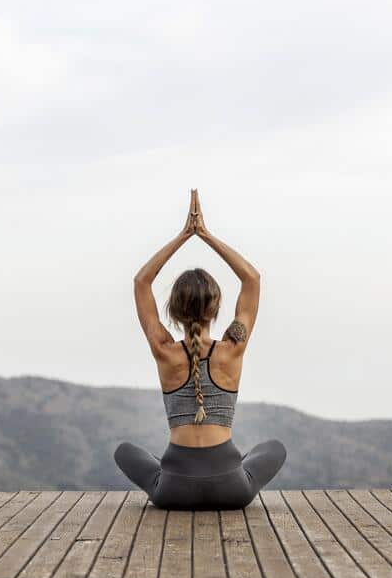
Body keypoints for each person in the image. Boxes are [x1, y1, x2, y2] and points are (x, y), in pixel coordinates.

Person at [114, 188, 286, 510]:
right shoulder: (232, 347)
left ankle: (172, 469)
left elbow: (141, 282)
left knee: (125, 450)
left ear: (175, 311)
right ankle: (230, 465)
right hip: (231, 489)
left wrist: (183, 236)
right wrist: (205, 235)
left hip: (173, 491)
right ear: (216, 307)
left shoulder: (163, 349)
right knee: (272, 448)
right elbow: (252, 279)